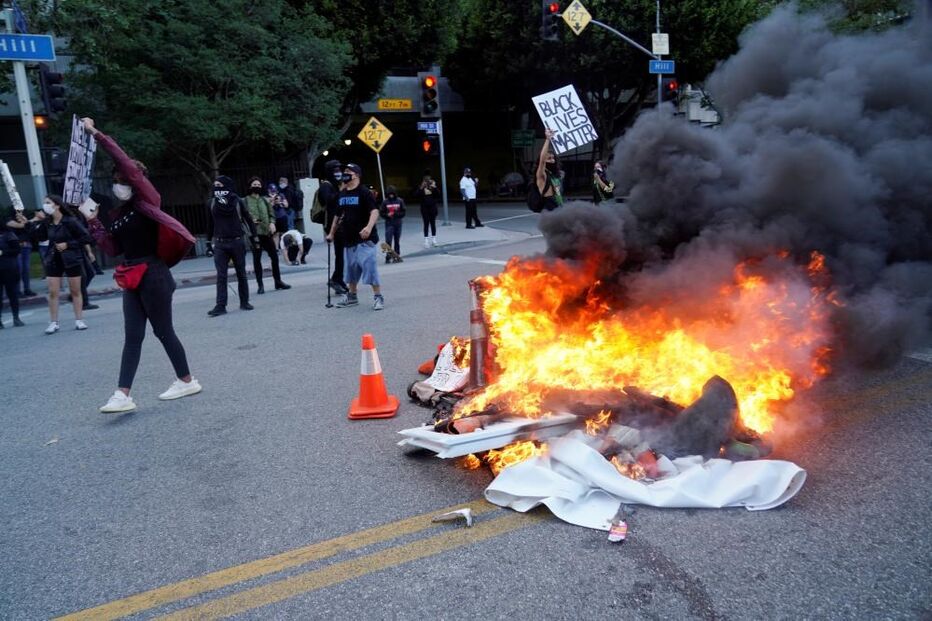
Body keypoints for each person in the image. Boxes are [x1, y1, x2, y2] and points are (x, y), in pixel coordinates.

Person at [81, 118, 201, 413]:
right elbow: (113, 248)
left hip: (154, 275)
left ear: (135, 180)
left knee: (163, 331)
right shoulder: (119, 213)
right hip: (131, 275)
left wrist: (97, 134)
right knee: (132, 336)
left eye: (124, 180)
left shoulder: (149, 201)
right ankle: (122, 394)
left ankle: (186, 380)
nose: (119, 184)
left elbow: (128, 166)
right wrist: (93, 221)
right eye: (117, 180)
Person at [326, 163, 385, 310]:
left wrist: (368, 227)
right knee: (351, 269)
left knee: (369, 267)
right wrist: (331, 233)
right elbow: (338, 215)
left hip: (365, 239)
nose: (344, 174)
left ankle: (378, 297)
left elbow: (374, 211)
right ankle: (352, 296)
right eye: (344, 171)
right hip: (349, 239)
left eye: (348, 172)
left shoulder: (364, 192)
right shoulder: (343, 193)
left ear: (356, 175)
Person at [205, 175, 259, 316]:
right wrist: (207, 243)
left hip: (237, 241)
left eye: (220, 185)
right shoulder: (212, 203)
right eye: (215, 185)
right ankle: (220, 305)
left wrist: (255, 237)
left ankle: (244, 302)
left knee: (241, 273)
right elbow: (210, 224)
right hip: (220, 244)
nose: (217, 188)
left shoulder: (237, 201)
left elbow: (248, 219)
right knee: (221, 276)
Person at [36, 195, 90, 334]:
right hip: (54, 259)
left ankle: (79, 320)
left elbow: (86, 237)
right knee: (53, 291)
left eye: (48, 203)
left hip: (72, 258)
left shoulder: (70, 221)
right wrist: (31, 223)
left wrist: (68, 244)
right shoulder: (47, 223)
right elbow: (39, 237)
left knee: (75, 291)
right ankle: (54, 322)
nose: (45, 205)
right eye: (44, 203)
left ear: (57, 205)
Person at [244, 176, 290, 294]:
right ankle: (260, 285)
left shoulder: (265, 200)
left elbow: (272, 214)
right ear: (250, 186)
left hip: (266, 233)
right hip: (254, 234)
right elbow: (241, 218)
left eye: (259, 185)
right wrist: (249, 222)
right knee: (257, 259)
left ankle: (278, 281)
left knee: (274, 257)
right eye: (255, 185)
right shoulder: (245, 201)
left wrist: (272, 223)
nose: (257, 187)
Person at [319, 159, 348, 295]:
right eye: (335, 170)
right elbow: (328, 200)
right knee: (339, 254)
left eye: (339, 170)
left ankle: (339, 279)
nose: (338, 172)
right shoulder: (326, 185)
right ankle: (335, 279)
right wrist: (340, 191)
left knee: (341, 254)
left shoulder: (337, 184)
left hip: (341, 223)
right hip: (332, 224)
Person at [0, 218, 24, 328]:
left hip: (9, 268)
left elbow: (17, 250)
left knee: (12, 294)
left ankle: (16, 317)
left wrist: (3, 252)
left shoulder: (9, 235)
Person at [536, 129, 564, 211]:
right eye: (549, 158)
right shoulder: (542, 174)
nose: (552, 160)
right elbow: (542, 160)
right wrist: (548, 139)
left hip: (558, 206)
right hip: (549, 208)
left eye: (553, 158)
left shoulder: (554, 175)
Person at [379, 185, 406, 262]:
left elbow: (403, 212)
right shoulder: (385, 202)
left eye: (392, 194)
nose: (391, 195)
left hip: (398, 223)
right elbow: (381, 212)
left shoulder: (400, 201)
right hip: (389, 223)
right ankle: (388, 255)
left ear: (395, 193)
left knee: (397, 240)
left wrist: (396, 214)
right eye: (389, 194)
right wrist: (387, 215)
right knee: (388, 240)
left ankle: (397, 255)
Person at [414, 172, 439, 248]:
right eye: (426, 180)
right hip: (424, 208)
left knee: (433, 223)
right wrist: (421, 187)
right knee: (426, 224)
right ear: (423, 181)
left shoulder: (432, 187)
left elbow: (438, 194)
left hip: (432, 208)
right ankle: (426, 241)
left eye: (428, 180)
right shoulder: (421, 188)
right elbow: (416, 195)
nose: (427, 182)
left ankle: (434, 240)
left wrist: (434, 187)